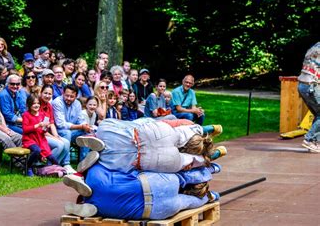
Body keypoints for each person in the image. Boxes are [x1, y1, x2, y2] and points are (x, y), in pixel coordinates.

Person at [64, 163, 219, 219]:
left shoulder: (170, 179)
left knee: (183, 177)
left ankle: (86, 183)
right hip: (153, 210)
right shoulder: (174, 203)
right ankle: (90, 201)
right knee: (187, 202)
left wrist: (211, 169)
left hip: (149, 185)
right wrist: (212, 196)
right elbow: (196, 201)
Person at [75, 118, 225, 174]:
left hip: (130, 137)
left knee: (107, 127)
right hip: (134, 159)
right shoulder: (177, 162)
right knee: (113, 163)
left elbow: (194, 129)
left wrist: (212, 128)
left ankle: (96, 137)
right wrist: (216, 154)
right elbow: (196, 161)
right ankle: (98, 158)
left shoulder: (175, 134)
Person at [39, 85, 74, 174]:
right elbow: (41, 129)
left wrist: (56, 136)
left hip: (46, 133)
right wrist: (54, 138)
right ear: (41, 93)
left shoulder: (49, 106)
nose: (47, 96)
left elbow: (51, 123)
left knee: (66, 142)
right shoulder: (37, 105)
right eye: (45, 93)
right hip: (38, 135)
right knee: (59, 145)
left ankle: (54, 166)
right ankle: (45, 166)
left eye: (50, 94)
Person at [22, 95, 61, 176]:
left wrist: (46, 128)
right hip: (30, 140)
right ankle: (27, 167)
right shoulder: (26, 115)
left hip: (40, 139)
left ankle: (57, 170)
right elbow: (25, 129)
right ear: (29, 105)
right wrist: (38, 125)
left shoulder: (42, 115)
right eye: (33, 103)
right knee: (37, 150)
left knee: (52, 158)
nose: (36, 105)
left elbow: (43, 131)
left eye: (38, 103)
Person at [52, 84, 92, 159]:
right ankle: (66, 163)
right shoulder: (57, 102)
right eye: (67, 95)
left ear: (76, 96)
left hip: (71, 131)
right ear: (63, 93)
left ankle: (83, 163)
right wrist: (81, 126)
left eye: (72, 96)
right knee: (67, 132)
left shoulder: (77, 103)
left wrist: (85, 126)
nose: (69, 98)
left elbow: (80, 120)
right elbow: (60, 125)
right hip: (58, 131)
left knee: (87, 133)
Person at [298, 42, 320, 152]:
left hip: (302, 84)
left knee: (318, 114)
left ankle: (314, 143)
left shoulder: (314, 46)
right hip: (312, 85)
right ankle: (309, 140)